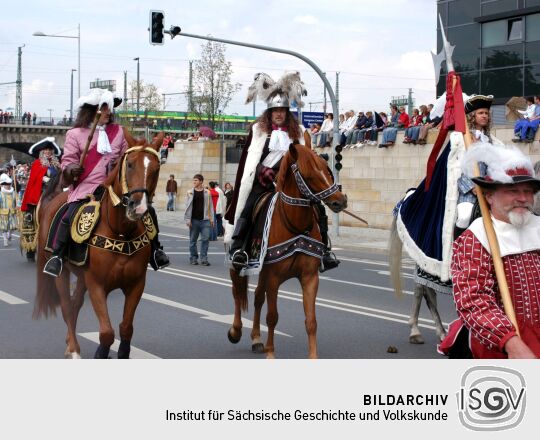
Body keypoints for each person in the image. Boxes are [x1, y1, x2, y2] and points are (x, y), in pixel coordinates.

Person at [43, 89, 169, 277]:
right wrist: (72, 169)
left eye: (109, 108)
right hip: (86, 188)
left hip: (113, 187)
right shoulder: (75, 134)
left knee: (147, 211)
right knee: (69, 215)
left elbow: (128, 159)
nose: (109, 112)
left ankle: (156, 250)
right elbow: (67, 161)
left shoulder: (118, 132)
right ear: (92, 109)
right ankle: (57, 255)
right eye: (104, 107)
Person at [225, 71, 340, 272]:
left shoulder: (299, 133)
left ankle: (324, 250)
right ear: (270, 112)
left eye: (282, 110)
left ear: (288, 112)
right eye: (275, 110)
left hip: (292, 183)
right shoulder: (258, 131)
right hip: (264, 181)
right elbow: (250, 160)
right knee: (250, 205)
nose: (279, 113)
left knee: (317, 207)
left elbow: (306, 160)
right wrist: (263, 171)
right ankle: (239, 249)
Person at [448, 145, 540, 358]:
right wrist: (513, 345)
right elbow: (473, 300)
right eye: (513, 191)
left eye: (528, 191)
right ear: (490, 197)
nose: (523, 198)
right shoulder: (475, 238)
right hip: (502, 349)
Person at [20, 137, 62, 261]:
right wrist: (42, 179)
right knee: (30, 215)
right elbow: (34, 179)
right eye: (46, 150)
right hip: (40, 192)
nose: (48, 152)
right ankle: (30, 249)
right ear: (42, 151)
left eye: (50, 149)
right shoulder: (37, 163)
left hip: (55, 192)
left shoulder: (57, 164)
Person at [184, 174, 214, 266]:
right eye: (194, 180)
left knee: (205, 240)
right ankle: (193, 258)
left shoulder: (207, 192)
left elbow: (211, 206)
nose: (194, 182)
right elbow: (187, 207)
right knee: (193, 241)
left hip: (205, 220)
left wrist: (212, 219)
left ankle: (204, 259)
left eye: (196, 180)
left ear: (201, 181)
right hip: (194, 220)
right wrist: (188, 220)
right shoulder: (189, 192)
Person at [0, 173, 17, 246]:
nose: (8, 186)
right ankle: (5, 240)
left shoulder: (13, 193)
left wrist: (18, 206)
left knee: (12, 227)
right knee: (4, 227)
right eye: (6, 184)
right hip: (3, 213)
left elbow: (17, 202)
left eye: (9, 184)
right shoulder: (0, 194)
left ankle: (9, 235)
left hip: (12, 212)